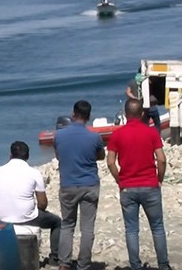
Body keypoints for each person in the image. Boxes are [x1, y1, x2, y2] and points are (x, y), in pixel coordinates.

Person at [107, 99, 171, 270]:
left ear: (125, 114)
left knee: (131, 229)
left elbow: (111, 162)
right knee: (157, 227)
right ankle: (163, 265)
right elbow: (162, 159)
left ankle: (135, 265)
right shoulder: (151, 133)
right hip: (150, 184)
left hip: (128, 186)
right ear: (142, 114)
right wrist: (160, 179)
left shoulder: (117, 135)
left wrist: (119, 179)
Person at [53, 100, 105, 270]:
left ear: (73, 114)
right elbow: (101, 156)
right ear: (89, 116)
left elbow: (60, 156)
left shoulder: (59, 135)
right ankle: (83, 264)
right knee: (87, 227)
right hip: (89, 183)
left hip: (68, 183)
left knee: (67, 225)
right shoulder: (94, 137)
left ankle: (64, 263)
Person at [0, 141, 61, 267]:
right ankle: (55, 259)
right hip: (27, 217)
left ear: (10, 155)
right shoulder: (34, 173)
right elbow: (42, 203)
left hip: (3, 217)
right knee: (57, 222)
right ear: (27, 156)